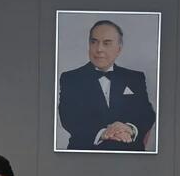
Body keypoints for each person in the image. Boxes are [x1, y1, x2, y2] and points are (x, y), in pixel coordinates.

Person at [57, 20, 156, 151]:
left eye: (107, 43)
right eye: (94, 42)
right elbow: (68, 117)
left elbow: (147, 114)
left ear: (118, 49)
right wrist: (103, 133)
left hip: (129, 153)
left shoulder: (135, 78)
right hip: (86, 153)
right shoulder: (71, 78)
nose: (99, 49)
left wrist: (129, 128)